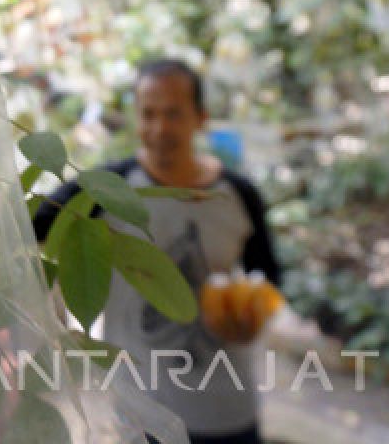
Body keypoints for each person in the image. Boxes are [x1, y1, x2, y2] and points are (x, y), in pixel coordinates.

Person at [33, 58, 281, 444]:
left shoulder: (237, 194)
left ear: (200, 118)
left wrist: (252, 315)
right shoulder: (103, 191)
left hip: (227, 409)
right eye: (148, 114)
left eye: (173, 114)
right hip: (142, 416)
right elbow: (28, 227)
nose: (159, 128)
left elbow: (269, 275)